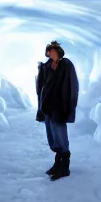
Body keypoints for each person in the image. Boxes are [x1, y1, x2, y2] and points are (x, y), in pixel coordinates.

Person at [35, 40, 79, 181]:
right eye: (50, 50)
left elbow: (73, 85)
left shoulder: (66, 64)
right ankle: (57, 162)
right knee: (51, 136)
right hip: (48, 106)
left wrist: (69, 105)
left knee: (60, 134)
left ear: (58, 52)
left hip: (60, 106)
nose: (51, 52)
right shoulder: (46, 66)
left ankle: (64, 166)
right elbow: (42, 87)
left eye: (54, 50)